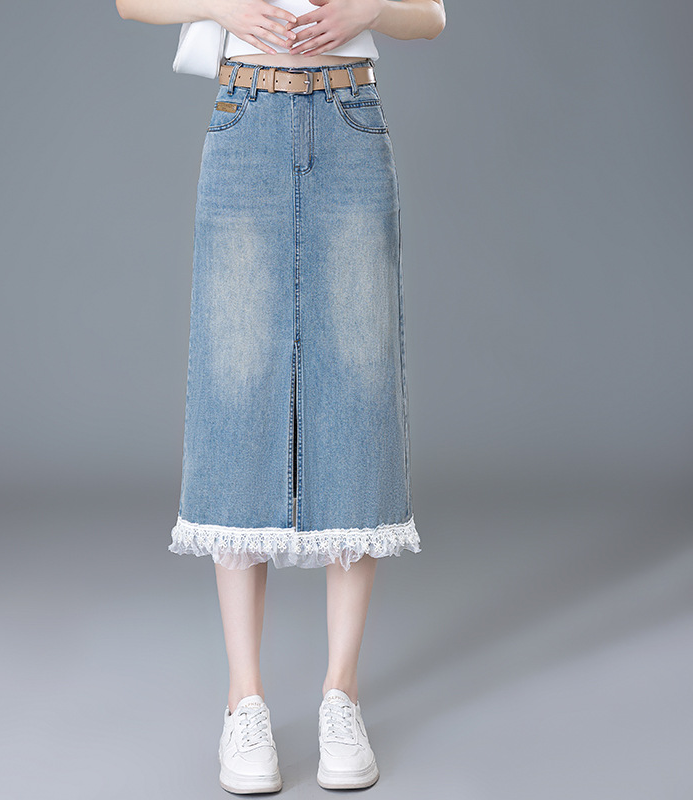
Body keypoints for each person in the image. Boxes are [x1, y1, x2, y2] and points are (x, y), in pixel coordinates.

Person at [117, 0, 446, 792]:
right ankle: (245, 701)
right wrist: (218, 4)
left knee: (359, 393)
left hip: (350, 117)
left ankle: (342, 695)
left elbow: (432, 15)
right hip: (247, 117)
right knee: (236, 392)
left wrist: (371, 8)